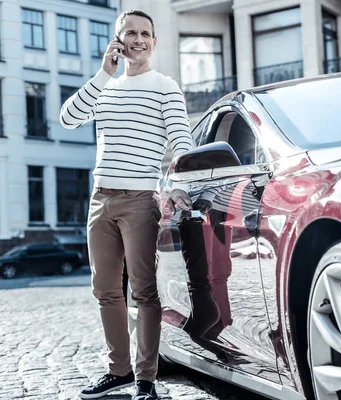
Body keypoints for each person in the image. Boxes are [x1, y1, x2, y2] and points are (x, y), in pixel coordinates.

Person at [60, 9, 193, 400]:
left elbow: (181, 142)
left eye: (145, 34)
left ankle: (146, 379)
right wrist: (103, 73)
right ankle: (117, 371)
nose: (138, 39)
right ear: (117, 40)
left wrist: (181, 185)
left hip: (140, 202)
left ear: (155, 41)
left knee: (144, 290)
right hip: (100, 200)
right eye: (130, 33)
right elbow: (68, 119)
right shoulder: (105, 89)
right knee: (105, 290)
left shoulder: (165, 87)